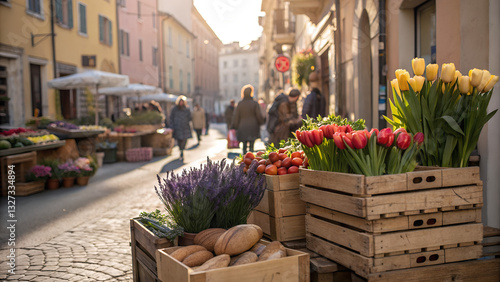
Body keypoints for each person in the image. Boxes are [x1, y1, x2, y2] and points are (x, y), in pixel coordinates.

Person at [231, 85, 265, 154]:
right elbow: (258, 115)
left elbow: (236, 116)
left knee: (244, 146)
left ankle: (244, 159)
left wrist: (234, 125)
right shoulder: (255, 103)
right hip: (253, 126)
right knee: (252, 146)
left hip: (242, 126)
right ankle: (251, 160)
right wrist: (262, 121)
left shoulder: (240, 104)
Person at [169, 96, 192, 161]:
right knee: (179, 140)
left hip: (185, 127)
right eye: (180, 102)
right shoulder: (174, 109)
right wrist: (172, 126)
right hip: (177, 127)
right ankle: (181, 150)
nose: (181, 103)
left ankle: (182, 149)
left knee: (184, 140)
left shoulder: (186, 109)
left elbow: (190, 117)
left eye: (182, 102)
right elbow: (171, 118)